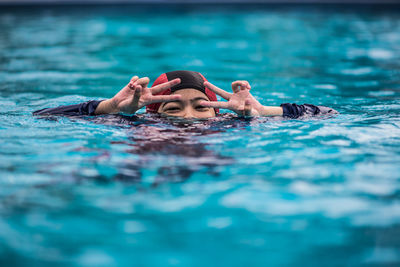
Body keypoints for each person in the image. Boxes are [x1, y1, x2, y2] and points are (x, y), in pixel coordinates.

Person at [33, 70, 337, 118]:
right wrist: (110, 107)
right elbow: (41, 116)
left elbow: (328, 113)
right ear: (153, 112)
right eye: (173, 109)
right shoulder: (135, 123)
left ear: (218, 112)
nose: (189, 118)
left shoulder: (233, 123)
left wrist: (263, 111)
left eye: (201, 108)